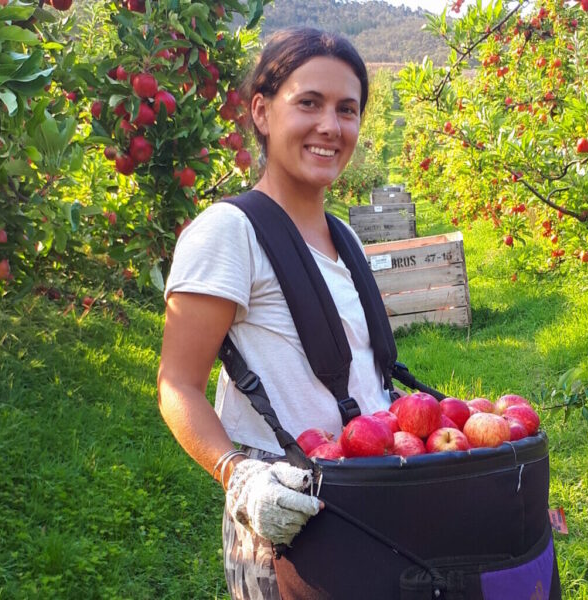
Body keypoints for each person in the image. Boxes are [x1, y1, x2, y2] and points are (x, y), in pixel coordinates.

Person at [157, 28, 391, 600]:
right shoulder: (229, 231)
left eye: (347, 110)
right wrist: (238, 476)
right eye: (308, 103)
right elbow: (177, 384)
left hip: (374, 500)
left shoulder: (347, 241)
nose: (330, 127)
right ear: (261, 111)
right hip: (284, 519)